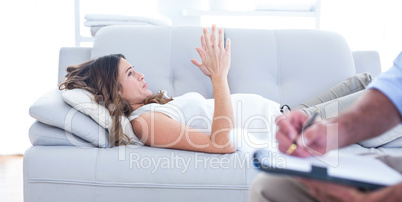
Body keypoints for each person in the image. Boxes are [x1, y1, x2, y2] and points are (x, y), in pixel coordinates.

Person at [59, 24, 372, 155]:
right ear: (114, 92)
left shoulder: (153, 107)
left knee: (366, 79)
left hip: (289, 113)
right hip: (291, 130)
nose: (140, 74)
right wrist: (219, 76)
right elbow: (221, 143)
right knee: (381, 98)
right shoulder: (144, 122)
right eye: (129, 72)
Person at [249, 52, 402, 202]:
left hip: (276, 112)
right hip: (276, 115)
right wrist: (331, 132)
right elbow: (396, 90)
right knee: (270, 188)